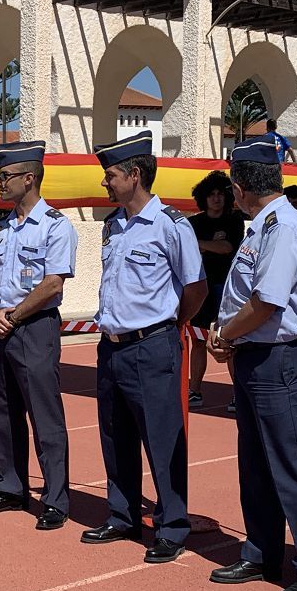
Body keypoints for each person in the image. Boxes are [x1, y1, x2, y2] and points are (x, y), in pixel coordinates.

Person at [207, 135, 297, 591]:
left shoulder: (283, 226)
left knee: (288, 461)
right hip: (255, 357)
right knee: (257, 462)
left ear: (242, 185)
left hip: (277, 357)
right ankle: (261, 551)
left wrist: (226, 334)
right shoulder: (264, 225)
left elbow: (267, 300)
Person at [81, 130, 207, 563]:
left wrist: (172, 322)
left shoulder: (172, 225)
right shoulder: (112, 225)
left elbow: (196, 287)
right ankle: (122, 515)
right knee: (115, 435)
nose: (105, 183)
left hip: (151, 345)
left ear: (135, 175)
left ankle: (171, 525)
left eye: (111, 175)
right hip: (111, 346)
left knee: (161, 437)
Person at [0, 140, 77, 531]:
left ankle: (55, 499)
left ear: (28, 178)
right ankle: (12, 487)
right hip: (0, 327)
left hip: (34, 328)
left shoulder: (55, 226)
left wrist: (13, 316)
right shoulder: (1, 228)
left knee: (44, 416)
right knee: (3, 411)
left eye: (5, 175)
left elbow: (53, 284)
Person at [186, 171, 243, 411]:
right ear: (204, 198)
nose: (217, 199)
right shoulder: (194, 222)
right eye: (212, 195)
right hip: (200, 287)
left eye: (221, 194)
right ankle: (194, 390)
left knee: (228, 339)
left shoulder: (234, 220)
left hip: (224, 289)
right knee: (198, 341)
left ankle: (238, 394)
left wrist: (199, 245)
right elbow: (184, 252)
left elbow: (226, 247)